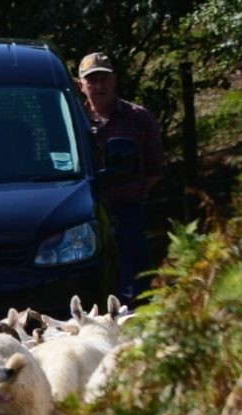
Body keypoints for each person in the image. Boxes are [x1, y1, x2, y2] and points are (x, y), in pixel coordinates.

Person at [78, 52, 166, 308]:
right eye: (92, 80)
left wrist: (135, 190)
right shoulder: (73, 119)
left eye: (103, 79)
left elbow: (156, 167)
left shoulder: (139, 117)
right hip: (83, 211)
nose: (99, 86)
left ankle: (134, 328)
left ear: (114, 80)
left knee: (135, 278)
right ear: (81, 85)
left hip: (128, 211)